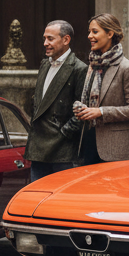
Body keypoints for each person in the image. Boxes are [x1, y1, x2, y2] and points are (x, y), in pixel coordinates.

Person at [73, 12, 129, 163]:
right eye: (89, 32)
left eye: (95, 31)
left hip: (117, 151)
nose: (89, 36)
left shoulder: (127, 68)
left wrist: (101, 112)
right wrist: (82, 109)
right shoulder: (93, 65)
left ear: (110, 33)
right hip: (88, 144)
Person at [25, 20, 88, 181]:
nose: (45, 43)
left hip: (63, 152)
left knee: (61, 202)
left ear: (66, 40)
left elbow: (82, 111)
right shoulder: (44, 64)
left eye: (50, 39)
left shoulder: (79, 68)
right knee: (37, 198)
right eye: (44, 38)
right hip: (38, 149)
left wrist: (64, 133)